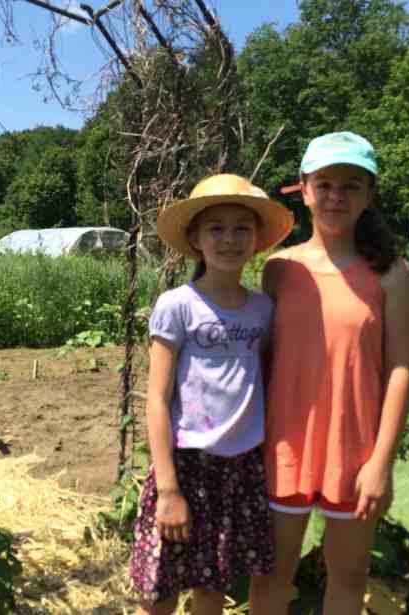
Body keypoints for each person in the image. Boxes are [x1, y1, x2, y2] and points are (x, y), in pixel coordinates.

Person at [250, 132, 409, 614]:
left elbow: (400, 368)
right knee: (270, 578)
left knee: (347, 578)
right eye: (324, 184)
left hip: (355, 453)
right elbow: (263, 362)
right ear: (303, 190)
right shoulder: (280, 268)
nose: (336, 196)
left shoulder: (391, 273)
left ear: (369, 195)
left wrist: (381, 462)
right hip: (283, 450)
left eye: (351, 185)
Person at [128, 174, 294, 615]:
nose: (229, 239)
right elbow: (158, 399)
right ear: (196, 240)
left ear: (256, 240)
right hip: (185, 465)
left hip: (240, 470)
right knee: (159, 590)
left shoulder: (263, 310)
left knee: (212, 587)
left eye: (242, 228)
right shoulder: (177, 305)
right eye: (216, 228)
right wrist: (168, 489)